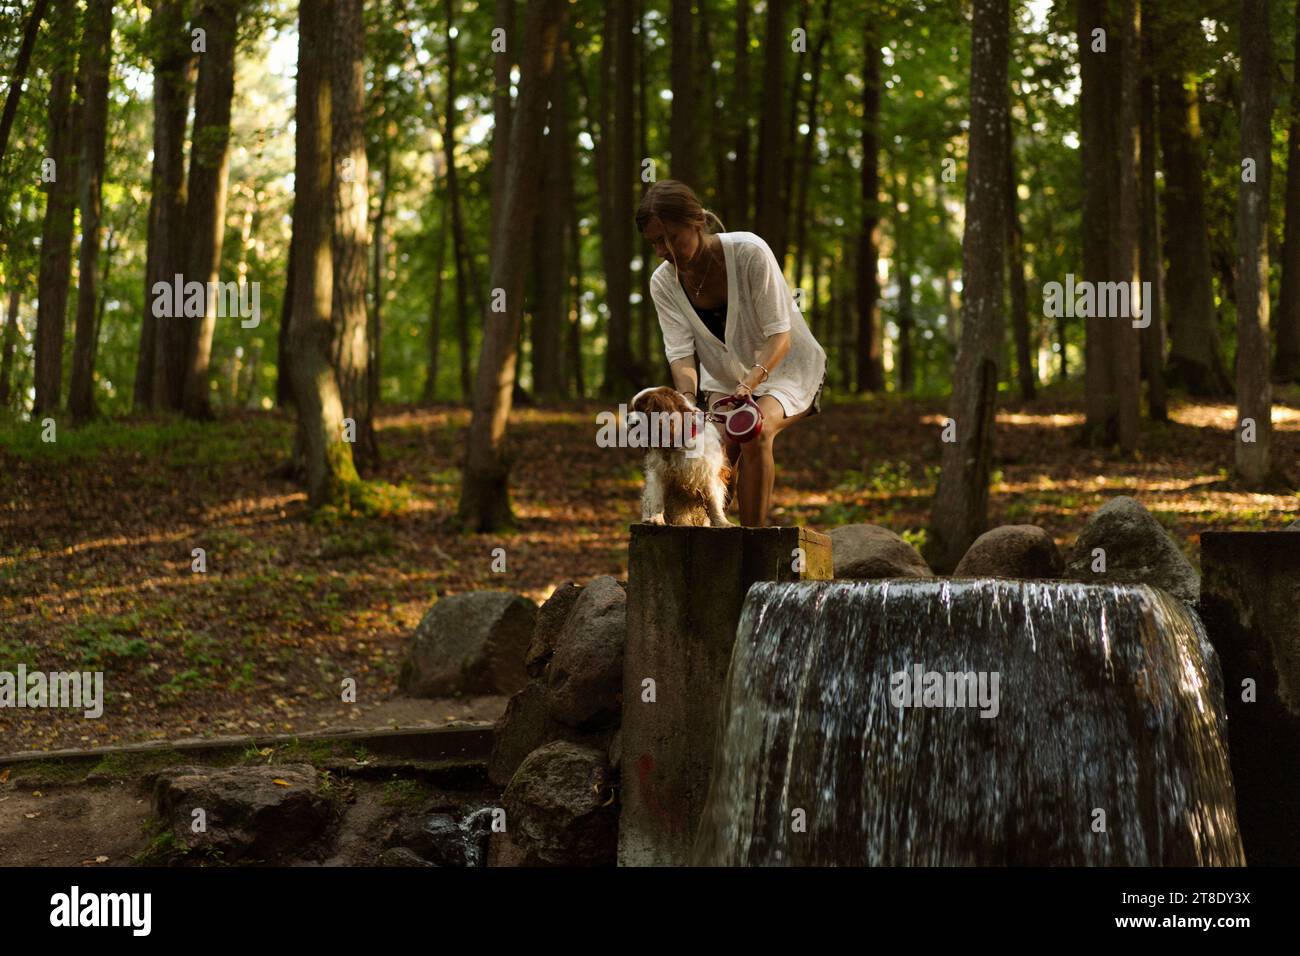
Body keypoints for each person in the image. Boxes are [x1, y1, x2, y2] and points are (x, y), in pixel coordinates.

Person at [636, 179, 827, 527]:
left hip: (786, 367)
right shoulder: (662, 283)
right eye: (654, 243)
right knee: (709, 452)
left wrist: (751, 383)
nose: (663, 250)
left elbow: (779, 336)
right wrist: (685, 405)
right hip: (724, 377)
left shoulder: (748, 252)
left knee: (753, 431)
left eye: (670, 238)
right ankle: (710, 533)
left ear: (697, 222)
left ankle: (752, 547)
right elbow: (681, 355)